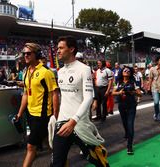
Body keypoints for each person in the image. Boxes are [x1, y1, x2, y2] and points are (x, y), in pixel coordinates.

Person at [52, 36, 109, 167]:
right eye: (57, 48)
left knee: (98, 161)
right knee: (57, 163)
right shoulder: (60, 72)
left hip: (79, 123)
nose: (58, 51)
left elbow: (88, 97)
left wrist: (73, 121)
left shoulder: (84, 69)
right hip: (62, 123)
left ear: (71, 49)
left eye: (61, 48)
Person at [15, 43, 59, 167]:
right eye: (24, 53)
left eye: (29, 53)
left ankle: (58, 160)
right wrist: (19, 113)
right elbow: (25, 94)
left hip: (43, 115)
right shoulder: (27, 72)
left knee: (30, 146)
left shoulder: (46, 72)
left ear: (37, 54)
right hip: (30, 114)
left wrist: (56, 116)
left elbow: (55, 94)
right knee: (47, 142)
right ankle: (58, 160)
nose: (26, 56)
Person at [112, 66, 141, 155]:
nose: (127, 71)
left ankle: (129, 146)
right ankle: (127, 133)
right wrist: (119, 93)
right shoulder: (118, 82)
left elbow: (140, 94)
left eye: (128, 71)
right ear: (122, 72)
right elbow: (113, 93)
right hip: (121, 106)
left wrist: (134, 92)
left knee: (130, 125)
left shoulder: (133, 82)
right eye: (125, 70)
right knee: (125, 123)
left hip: (132, 105)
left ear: (130, 73)